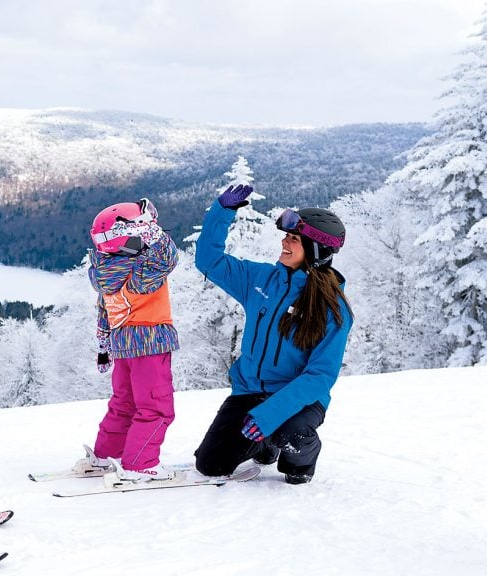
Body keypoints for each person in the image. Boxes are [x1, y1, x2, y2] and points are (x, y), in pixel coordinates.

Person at [192, 184, 353, 485]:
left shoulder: (333, 309)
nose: (284, 243)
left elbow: (320, 375)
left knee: (289, 434)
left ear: (315, 251)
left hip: (299, 401)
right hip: (249, 391)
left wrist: (268, 416)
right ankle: (265, 444)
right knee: (210, 464)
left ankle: (301, 459)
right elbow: (208, 261)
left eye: (294, 239)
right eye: (286, 236)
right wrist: (222, 211)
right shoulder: (262, 280)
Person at [73, 198, 180, 483]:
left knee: (125, 403)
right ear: (130, 240)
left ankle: (105, 455)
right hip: (150, 343)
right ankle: (140, 463)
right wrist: (156, 235)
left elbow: (104, 311)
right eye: (141, 235)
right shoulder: (140, 272)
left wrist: (104, 346)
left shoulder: (108, 272)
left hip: (123, 347)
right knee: (156, 406)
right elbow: (168, 259)